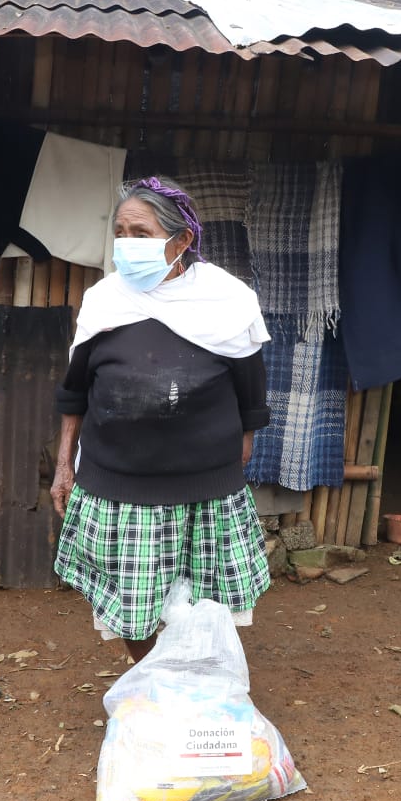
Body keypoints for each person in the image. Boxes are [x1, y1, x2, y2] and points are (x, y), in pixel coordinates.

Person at [51, 177, 273, 664]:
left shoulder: (227, 300)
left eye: (141, 234)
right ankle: (151, 678)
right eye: (121, 232)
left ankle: (194, 680)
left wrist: (236, 454)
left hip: (206, 490)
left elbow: (251, 394)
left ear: (182, 240)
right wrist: (64, 464)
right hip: (120, 488)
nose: (127, 244)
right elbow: (75, 391)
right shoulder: (105, 300)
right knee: (133, 608)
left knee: (208, 604)